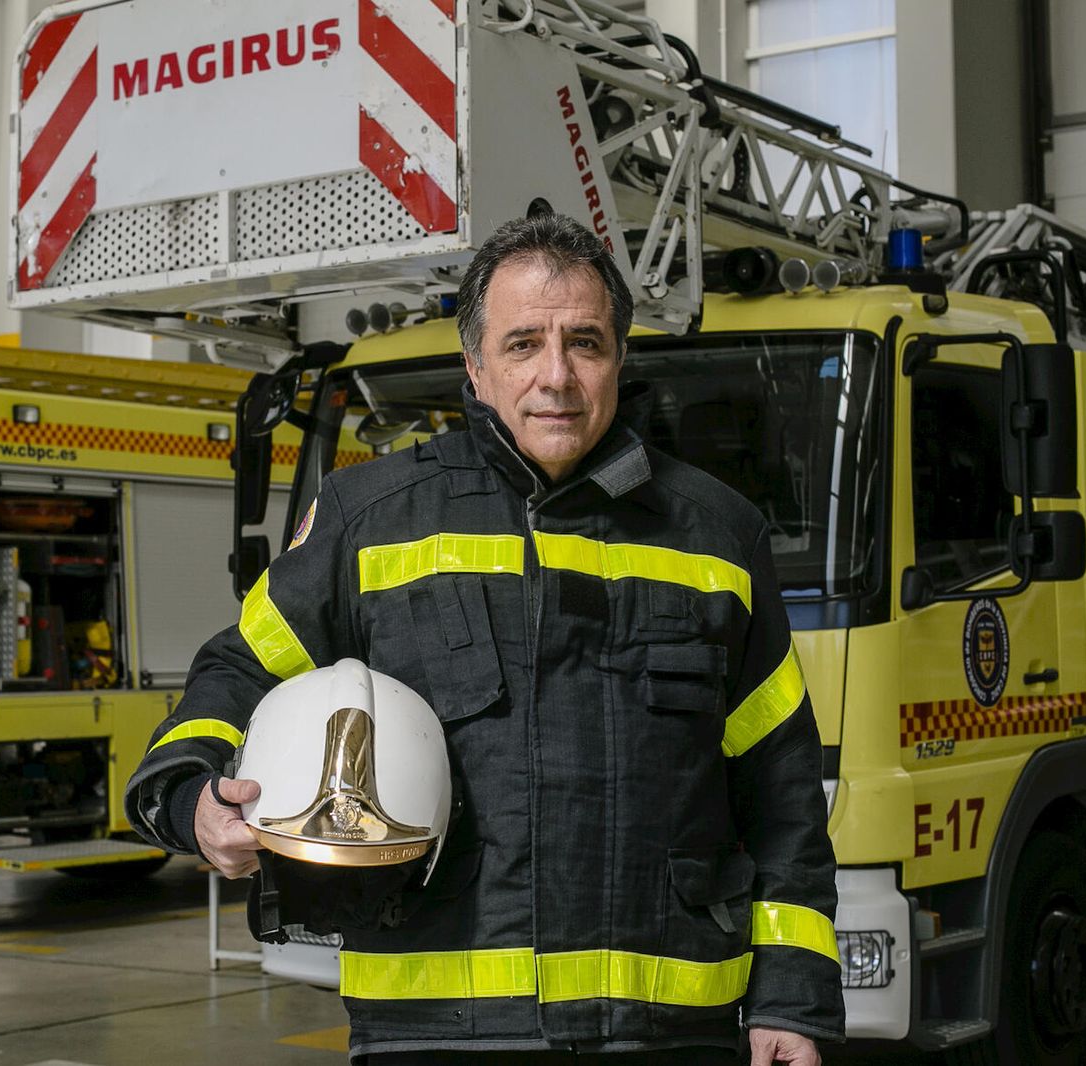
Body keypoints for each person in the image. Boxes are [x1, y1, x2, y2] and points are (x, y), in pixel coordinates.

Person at [126, 214, 844, 1065]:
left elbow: (782, 786)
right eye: (522, 344)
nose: (556, 376)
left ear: (621, 357)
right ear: (475, 365)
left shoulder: (717, 534)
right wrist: (190, 801)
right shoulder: (370, 521)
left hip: (668, 1031)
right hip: (437, 1035)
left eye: (584, 342)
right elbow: (239, 671)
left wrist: (791, 1001)